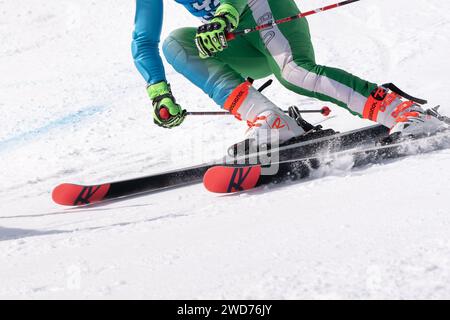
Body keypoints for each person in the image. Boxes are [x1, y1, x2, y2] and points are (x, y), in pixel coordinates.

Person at [132, 0, 446, 146]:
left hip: (267, 13)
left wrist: (226, 13)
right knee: (177, 43)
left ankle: (403, 111)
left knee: (294, 73)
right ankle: (271, 121)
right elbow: (144, 40)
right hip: (240, 42)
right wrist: (159, 92)